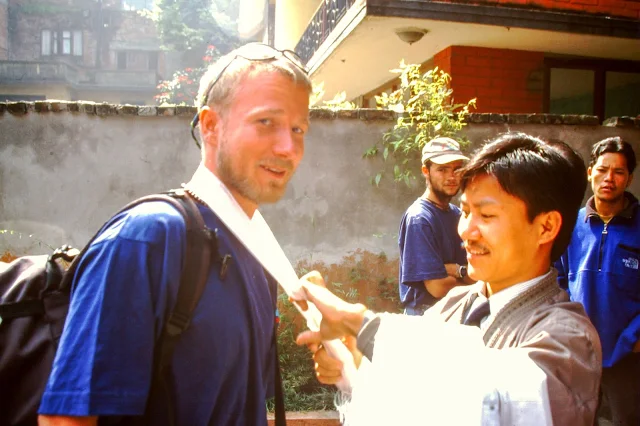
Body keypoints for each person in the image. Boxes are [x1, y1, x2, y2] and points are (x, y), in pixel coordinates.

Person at [38, 43, 312, 426]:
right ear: (210, 126)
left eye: (298, 129)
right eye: (266, 121)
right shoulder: (146, 240)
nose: (288, 147)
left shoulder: (258, 251)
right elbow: (65, 421)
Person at [296, 133, 602, 425]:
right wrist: (353, 364)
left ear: (545, 227)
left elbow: (498, 402)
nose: (466, 231)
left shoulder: (568, 338)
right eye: (466, 212)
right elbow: (414, 399)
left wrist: (364, 325)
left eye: (487, 215)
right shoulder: (455, 303)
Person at [555, 137, 639, 426]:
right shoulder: (570, 225)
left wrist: (635, 339)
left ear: (629, 178)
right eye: (602, 170)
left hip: (628, 357)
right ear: (590, 173)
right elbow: (557, 281)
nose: (609, 178)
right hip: (577, 353)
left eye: (618, 172)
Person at [398, 137, 473, 315]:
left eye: (456, 169)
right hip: (425, 317)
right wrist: (464, 274)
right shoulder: (420, 219)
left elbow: (476, 272)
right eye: (442, 169)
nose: (451, 177)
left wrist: (456, 271)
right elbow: (437, 287)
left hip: (455, 313)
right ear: (426, 171)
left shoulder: (458, 215)